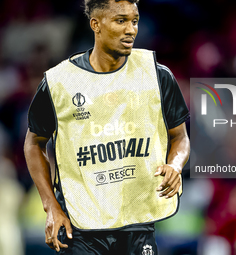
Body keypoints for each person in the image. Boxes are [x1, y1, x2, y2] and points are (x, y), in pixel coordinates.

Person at [23, 0, 190, 254]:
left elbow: (180, 136)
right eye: (120, 21)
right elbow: (33, 142)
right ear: (96, 24)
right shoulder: (60, 83)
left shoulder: (157, 76)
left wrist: (175, 165)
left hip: (136, 224)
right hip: (81, 227)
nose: (131, 29)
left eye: (134, 21)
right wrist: (51, 207)